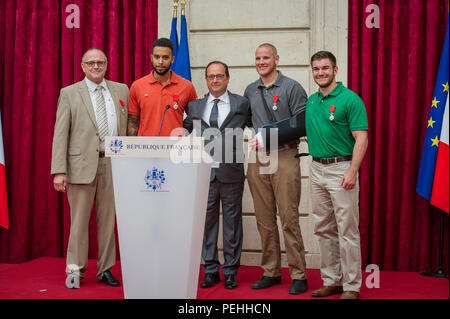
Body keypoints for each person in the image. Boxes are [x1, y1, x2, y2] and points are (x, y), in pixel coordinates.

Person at [51, 48, 129, 289]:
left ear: (107, 65)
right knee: (79, 221)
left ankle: (105, 269)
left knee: (108, 221)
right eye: (91, 63)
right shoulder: (70, 93)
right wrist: (59, 170)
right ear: (83, 66)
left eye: (101, 62)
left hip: (114, 162)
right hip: (80, 166)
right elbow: (60, 133)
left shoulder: (121, 90)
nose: (96, 66)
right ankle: (75, 269)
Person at [244, 43, 308, 295]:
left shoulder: (292, 87)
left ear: (276, 59)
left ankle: (299, 273)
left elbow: (302, 123)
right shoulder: (250, 90)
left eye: (266, 57)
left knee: (289, 218)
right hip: (259, 157)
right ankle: (271, 270)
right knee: (264, 219)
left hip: (285, 156)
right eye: (258, 58)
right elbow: (246, 120)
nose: (261, 62)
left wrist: (270, 136)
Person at [306, 51, 368, 300]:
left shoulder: (350, 99)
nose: (320, 72)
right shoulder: (311, 101)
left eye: (325, 68)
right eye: (316, 69)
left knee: (347, 230)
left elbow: (361, 137)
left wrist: (353, 170)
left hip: (341, 169)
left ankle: (352, 286)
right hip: (316, 168)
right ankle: (331, 280)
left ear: (335, 70)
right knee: (323, 228)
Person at [184, 61, 250, 289]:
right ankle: (210, 270)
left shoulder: (242, 103)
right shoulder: (194, 106)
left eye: (219, 76)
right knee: (207, 223)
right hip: (203, 174)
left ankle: (230, 271)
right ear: (206, 79)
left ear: (228, 78)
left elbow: (257, 125)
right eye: (211, 76)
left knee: (233, 223)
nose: (215, 80)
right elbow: (185, 128)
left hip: (231, 172)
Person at [127, 38, 197, 136]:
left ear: (172, 59)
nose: (160, 62)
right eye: (157, 57)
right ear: (151, 58)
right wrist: (134, 147)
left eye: (165, 57)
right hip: (145, 148)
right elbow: (132, 121)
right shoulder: (137, 86)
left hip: (175, 148)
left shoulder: (187, 86)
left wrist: (182, 133)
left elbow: (195, 117)